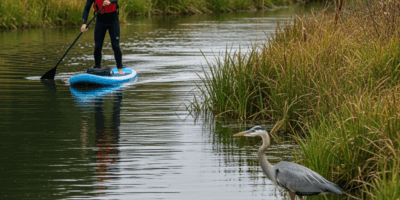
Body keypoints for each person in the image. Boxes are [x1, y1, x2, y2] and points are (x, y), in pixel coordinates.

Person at [81, 0, 124, 75]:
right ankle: (97, 68)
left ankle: (120, 69)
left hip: (113, 20)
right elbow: (86, 9)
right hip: (100, 21)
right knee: (97, 46)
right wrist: (84, 24)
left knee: (115, 46)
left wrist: (110, 1)